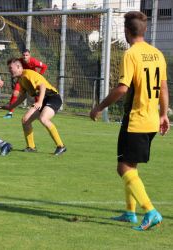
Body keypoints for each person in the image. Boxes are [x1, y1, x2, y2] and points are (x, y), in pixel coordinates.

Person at [90, 11, 169, 231]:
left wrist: (99, 107)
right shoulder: (157, 53)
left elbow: (122, 89)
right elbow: (163, 87)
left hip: (136, 119)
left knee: (123, 167)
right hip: (152, 119)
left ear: (126, 32)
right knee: (130, 165)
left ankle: (150, 211)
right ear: (143, 30)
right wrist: (164, 114)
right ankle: (130, 213)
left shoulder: (131, 54)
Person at [3, 58, 66, 155]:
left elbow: (42, 86)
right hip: (44, 100)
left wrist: (40, 102)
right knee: (25, 120)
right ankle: (31, 147)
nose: (9, 70)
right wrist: (10, 106)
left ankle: (61, 146)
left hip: (53, 98)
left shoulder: (28, 74)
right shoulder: (21, 79)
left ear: (19, 67)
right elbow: (23, 96)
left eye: (11, 68)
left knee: (43, 118)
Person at [3, 49, 48, 118]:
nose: (25, 57)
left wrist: (39, 75)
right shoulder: (19, 61)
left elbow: (44, 67)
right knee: (15, 93)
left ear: (30, 56)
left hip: (32, 81)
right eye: (23, 55)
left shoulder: (34, 61)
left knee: (36, 96)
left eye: (26, 55)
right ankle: (10, 113)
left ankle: (39, 112)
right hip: (21, 79)